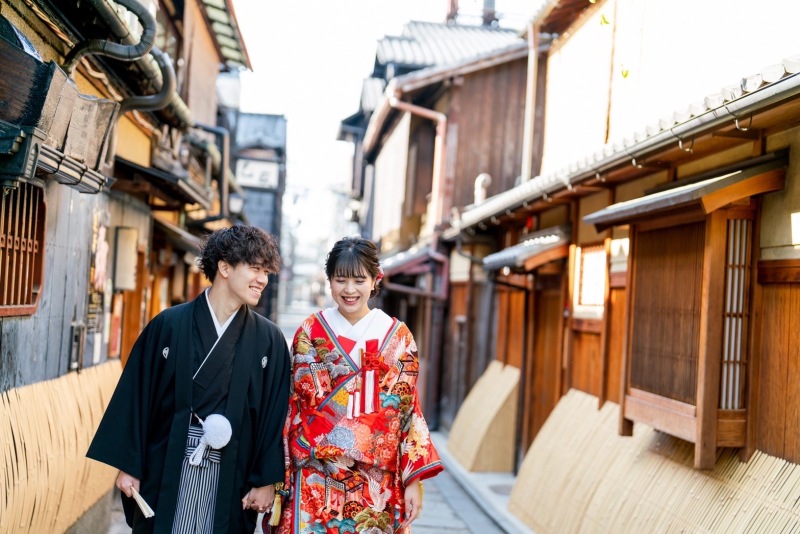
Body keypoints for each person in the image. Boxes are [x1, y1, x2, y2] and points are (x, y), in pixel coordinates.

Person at [87, 224, 290, 533]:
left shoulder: (269, 340)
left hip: (232, 469)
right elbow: (138, 397)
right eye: (255, 269)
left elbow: (274, 415)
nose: (263, 279)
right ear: (224, 266)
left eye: (267, 271)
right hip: (169, 460)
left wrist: (265, 479)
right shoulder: (169, 325)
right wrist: (129, 465)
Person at [272, 236, 443, 533]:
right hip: (316, 474)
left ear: (376, 280)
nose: (349, 290)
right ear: (329, 281)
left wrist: (413, 481)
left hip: (376, 481)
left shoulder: (397, 336)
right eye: (340, 280)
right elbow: (297, 402)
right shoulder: (312, 330)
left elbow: (406, 411)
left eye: (359, 280)